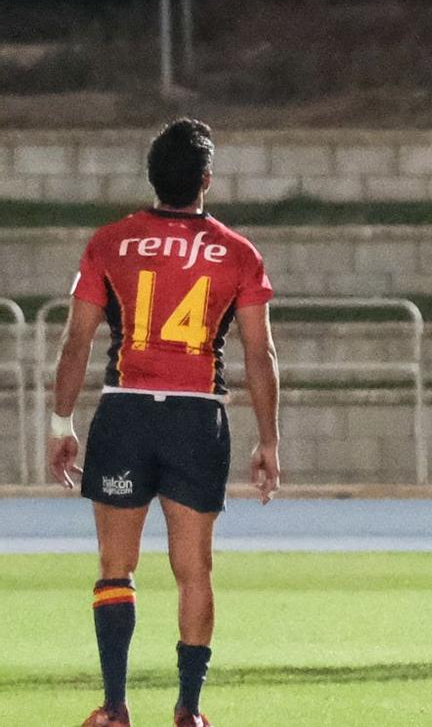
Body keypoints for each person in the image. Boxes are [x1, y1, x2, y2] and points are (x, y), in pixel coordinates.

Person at [46, 119, 282, 727]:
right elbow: (260, 354)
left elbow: (76, 341)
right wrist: (269, 441)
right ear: (206, 180)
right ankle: (189, 710)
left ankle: (116, 707)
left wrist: (60, 423)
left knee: (114, 567)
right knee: (193, 569)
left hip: (125, 411)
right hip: (198, 417)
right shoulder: (237, 252)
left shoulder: (109, 242)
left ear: (152, 177)